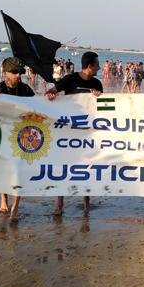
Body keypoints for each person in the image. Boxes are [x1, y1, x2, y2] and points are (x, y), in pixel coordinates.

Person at [45, 51, 103, 215]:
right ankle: (60, 204)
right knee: (62, 167)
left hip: (88, 133)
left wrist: (99, 97)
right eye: (97, 64)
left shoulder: (97, 84)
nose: (99, 66)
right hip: (68, 132)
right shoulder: (70, 79)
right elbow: (51, 91)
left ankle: (86, 203)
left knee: (87, 167)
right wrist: (50, 94)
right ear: (90, 66)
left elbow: (105, 108)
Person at [0, 57, 35, 221]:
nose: (17, 76)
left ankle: (15, 208)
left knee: (18, 172)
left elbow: (39, 107)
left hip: (22, 137)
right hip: (2, 136)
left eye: (19, 72)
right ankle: (3, 199)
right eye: (14, 72)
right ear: (5, 72)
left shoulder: (26, 90)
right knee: (3, 170)